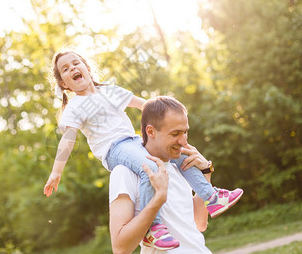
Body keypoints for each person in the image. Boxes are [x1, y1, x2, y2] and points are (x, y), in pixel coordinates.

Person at [43, 51, 243, 250]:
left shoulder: (109, 91)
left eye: (76, 63)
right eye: (65, 69)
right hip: (115, 149)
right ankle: (153, 228)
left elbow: (146, 106)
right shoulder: (75, 106)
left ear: (87, 68)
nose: (73, 69)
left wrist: (168, 114)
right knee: (149, 167)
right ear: (64, 84)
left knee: (182, 155)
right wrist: (56, 172)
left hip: (135, 142)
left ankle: (212, 197)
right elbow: (68, 140)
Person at [109, 96, 237, 253]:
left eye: (185, 132)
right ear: (150, 131)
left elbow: (199, 223)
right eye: (175, 134)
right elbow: (120, 248)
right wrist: (158, 199)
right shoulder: (125, 173)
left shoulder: (181, 167)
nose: (183, 141)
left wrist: (205, 173)